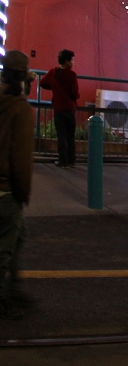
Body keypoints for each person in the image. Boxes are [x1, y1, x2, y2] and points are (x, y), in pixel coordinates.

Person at [0, 50, 34, 320]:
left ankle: (14, 287)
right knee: (5, 246)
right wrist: (23, 192)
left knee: (18, 235)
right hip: (6, 190)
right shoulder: (20, 109)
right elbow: (20, 158)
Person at [39, 49, 79, 168]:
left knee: (61, 135)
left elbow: (42, 83)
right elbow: (75, 94)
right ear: (67, 61)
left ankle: (62, 161)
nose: (73, 62)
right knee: (70, 135)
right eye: (72, 60)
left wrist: (54, 88)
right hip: (70, 108)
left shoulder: (52, 72)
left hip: (58, 108)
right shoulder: (72, 75)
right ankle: (71, 160)